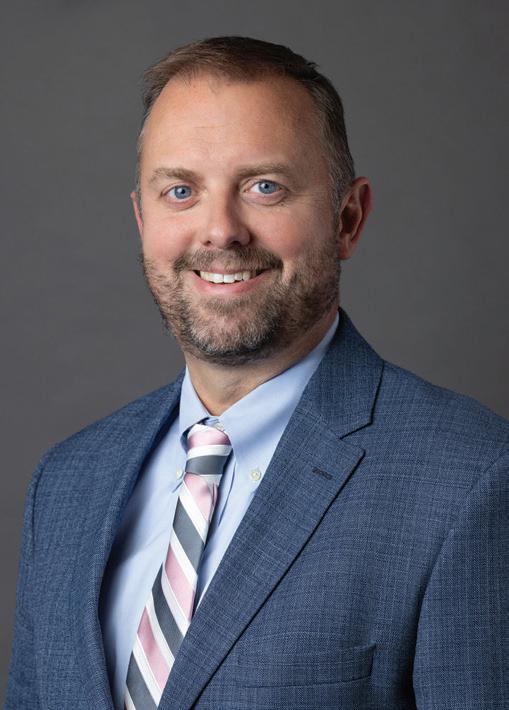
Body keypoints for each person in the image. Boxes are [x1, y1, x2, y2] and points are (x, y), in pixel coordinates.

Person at [6, 36, 508, 710]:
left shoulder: (471, 478)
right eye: (180, 191)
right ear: (142, 219)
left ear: (348, 218)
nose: (220, 231)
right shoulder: (67, 483)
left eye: (264, 187)